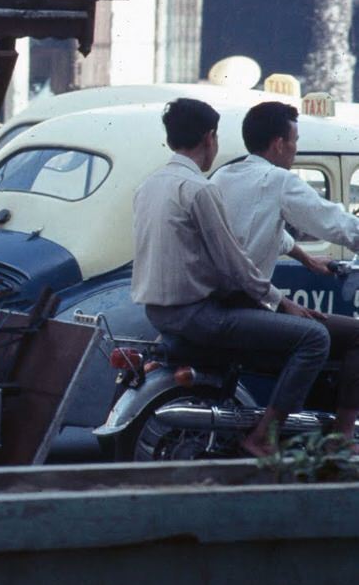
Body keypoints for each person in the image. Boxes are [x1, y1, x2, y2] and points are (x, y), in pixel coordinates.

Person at [132, 98, 328, 457]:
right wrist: (281, 302)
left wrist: (298, 254)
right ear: (210, 138)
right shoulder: (199, 189)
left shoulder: (149, 186)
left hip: (159, 313)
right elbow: (233, 263)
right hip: (198, 316)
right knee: (314, 338)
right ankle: (263, 438)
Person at [211, 100, 359, 443]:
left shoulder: (226, 175)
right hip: (245, 304)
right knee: (353, 335)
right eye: (294, 142)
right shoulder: (278, 180)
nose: (295, 150)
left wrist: (304, 257)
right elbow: (332, 222)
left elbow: (256, 229)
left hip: (220, 301)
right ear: (279, 144)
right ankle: (340, 439)